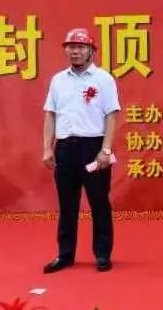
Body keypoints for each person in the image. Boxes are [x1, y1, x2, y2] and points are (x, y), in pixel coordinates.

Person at [42, 27, 120, 273]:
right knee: (67, 205)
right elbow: (50, 114)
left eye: (80, 47)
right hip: (65, 147)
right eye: (71, 47)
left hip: (92, 146)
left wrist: (106, 150)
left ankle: (102, 254)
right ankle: (65, 255)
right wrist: (47, 148)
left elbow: (111, 115)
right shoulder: (58, 80)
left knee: (99, 202)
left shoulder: (103, 79)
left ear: (91, 51)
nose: (75, 51)